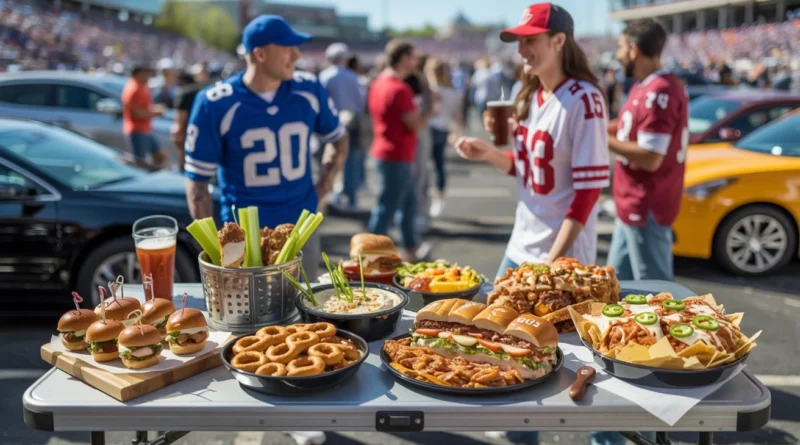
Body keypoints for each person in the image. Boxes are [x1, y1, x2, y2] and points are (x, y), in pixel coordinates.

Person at [454, 4, 614, 442]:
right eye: (519, 41)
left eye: (531, 39)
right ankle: (517, 432)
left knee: (565, 364)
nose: (523, 49)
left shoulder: (585, 99)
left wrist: (550, 265)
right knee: (509, 350)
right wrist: (488, 154)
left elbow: (586, 194)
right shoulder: (531, 95)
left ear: (559, 41)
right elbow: (530, 173)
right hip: (519, 245)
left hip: (558, 260)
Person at [183, 10, 349, 351]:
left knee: (305, 319)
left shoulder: (308, 89)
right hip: (242, 241)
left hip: (299, 229)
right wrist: (214, 246)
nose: (297, 55)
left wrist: (324, 186)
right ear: (260, 54)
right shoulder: (215, 102)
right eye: (288, 47)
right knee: (244, 330)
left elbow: (339, 138)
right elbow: (198, 182)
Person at [607, 18, 689, 284]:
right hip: (633, 201)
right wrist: (591, 125)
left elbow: (651, 157)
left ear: (633, 49)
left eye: (620, 47)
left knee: (656, 290)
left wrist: (597, 137)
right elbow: (626, 127)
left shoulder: (659, 90)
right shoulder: (646, 84)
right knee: (616, 284)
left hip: (646, 203)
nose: (618, 55)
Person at [367, 39, 433, 261]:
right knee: (387, 207)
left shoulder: (379, 82)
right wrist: (430, 111)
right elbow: (415, 124)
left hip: (388, 151)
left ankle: (411, 246)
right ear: (404, 58)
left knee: (407, 202)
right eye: (413, 57)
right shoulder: (399, 88)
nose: (416, 62)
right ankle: (368, 254)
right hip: (396, 155)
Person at [319, 42, 365, 211]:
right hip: (351, 123)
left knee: (328, 162)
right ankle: (351, 198)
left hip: (329, 124)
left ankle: (329, 196)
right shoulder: (354, 77)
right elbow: (361, 102)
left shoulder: (325, 76)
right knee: (351, 162)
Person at [425, 57, 463, 218]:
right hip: (445, 128)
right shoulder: (452, 91)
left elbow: (433, 111)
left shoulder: (433, 90)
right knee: (439, 165)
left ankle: (429, 199)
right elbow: (457, 115)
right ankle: (438, 198)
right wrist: (458, 132)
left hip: (431, 128)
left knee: (426, 166)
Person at [122, 65, 168, 169]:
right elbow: (136, 113)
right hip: (137, 130)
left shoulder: (141, 86)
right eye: (146, 74)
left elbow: (144, 107)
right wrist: (155, 113)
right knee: (140, 162)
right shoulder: (133, 88)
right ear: (139, 74)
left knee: (160, 155)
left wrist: (155, 109)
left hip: (145, 129)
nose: (148, 76)